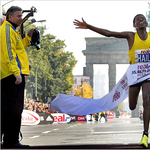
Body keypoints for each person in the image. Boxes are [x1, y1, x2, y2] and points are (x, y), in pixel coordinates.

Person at [74, 14, 150, 148]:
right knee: (132, 105)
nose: (141, 20)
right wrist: (88, 26)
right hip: (134, 75)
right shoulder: (131, 36)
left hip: (148, 74)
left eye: (143, 18)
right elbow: (109, 34)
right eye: (138, 19)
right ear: (134, 25)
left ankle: (145, 134)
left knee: (147, 100)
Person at [1, 6, 35, 148]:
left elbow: (18, 48)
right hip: (11, 75)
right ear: (10, 17)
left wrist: (28, 38)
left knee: (10, 109)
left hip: (10, 74)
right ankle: (11, 141)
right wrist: (17, 73)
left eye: (22, 16)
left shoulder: (11, 30)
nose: (21, 18)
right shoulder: (7, 29)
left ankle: (10, 140)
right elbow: (9, 52)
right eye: (19, 16)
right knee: (14, 109)